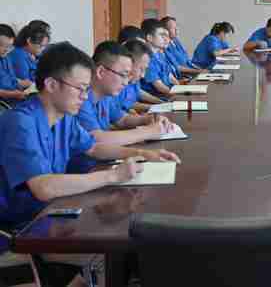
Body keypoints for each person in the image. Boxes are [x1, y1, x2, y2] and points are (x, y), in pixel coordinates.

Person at [0, 42, 180, 228]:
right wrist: (113, 176)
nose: (85, 97)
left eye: (87, 89)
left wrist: (143, 154)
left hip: (51, 209)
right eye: (80, 88)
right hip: (19, 226)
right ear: (52, 84)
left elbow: (93, 147)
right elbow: (43, 187)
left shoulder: (64, 117)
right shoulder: (20, 122)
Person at [68, 41, 174, 174]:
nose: (126, 82)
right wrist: (148, 132)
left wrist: (148, 119)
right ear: (100, 72)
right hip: (87, 171)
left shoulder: (105, 95)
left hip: (104, 163)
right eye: (123, 75)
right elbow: (97, 139)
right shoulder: (80, 99)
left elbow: (122, 119)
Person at [116, 39, 163, 113]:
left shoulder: (134, 78)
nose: (143, 76)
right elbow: (127, 106)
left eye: (145, 69)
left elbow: (138, 92)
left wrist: (160, 102)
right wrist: (156, 107)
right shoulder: (116, 83)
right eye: (141, 69)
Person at [141, 19, 179, 97]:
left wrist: (180, 89)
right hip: (159, 96)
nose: (166, 39)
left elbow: (170, 76)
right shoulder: (147, 58)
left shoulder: (159, 54)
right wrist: (178, 94)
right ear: (149, 38)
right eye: (162, 35)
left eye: (166, 36)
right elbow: (159, 87)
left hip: (169, 92)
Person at [0, 24, 29, 105]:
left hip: (15, 95)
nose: (6, 50)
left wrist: (23, 82)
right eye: (2, 46)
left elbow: (9, 77)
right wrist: (12, 94)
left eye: (9, 46)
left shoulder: (5, 57)